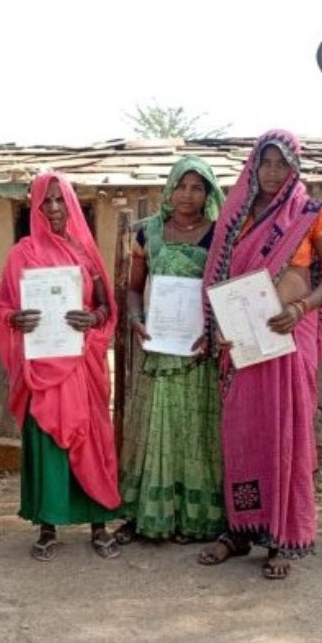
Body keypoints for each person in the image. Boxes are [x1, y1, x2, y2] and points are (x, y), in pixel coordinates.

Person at [198, 130, 322, 579]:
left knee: (287, 431)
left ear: (294, 167)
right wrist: (221, 325)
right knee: (244, 430)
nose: (272, 172)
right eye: (265, 163)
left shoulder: (311, 213)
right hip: (243, 339)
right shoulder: (234, 215)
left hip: (288, 333)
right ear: (253, 165)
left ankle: (284, 537)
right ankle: (242, 528)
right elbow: (218, 277)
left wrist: (301, 305)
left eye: (281, 163)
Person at [0, 172, 122, 562]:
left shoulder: (85, 252)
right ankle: (49, 526)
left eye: (59, 200)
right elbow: (0, 307)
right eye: (44, 201)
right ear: (34, 206)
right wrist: (16, 319)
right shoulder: (22, 254)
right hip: (42, 367)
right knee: (47, 441)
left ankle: (99, 522)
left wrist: (94, 320)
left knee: (90, 437)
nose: (52, 208)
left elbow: (104, 306)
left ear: (70, 203)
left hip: (80, 364)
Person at [116, 155, 227, 544]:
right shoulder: (149, 234)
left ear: (209, 193)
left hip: (199, 352)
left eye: (197, 187)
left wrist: (213, 332)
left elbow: (226, 292)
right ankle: (148, 514)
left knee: (196, 433)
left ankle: (195, 519)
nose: (187, 195)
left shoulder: (221, 235)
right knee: (155, 429)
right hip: (160, 348)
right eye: (181, 185)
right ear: (170, 189)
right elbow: (132, 289)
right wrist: (135, 319)